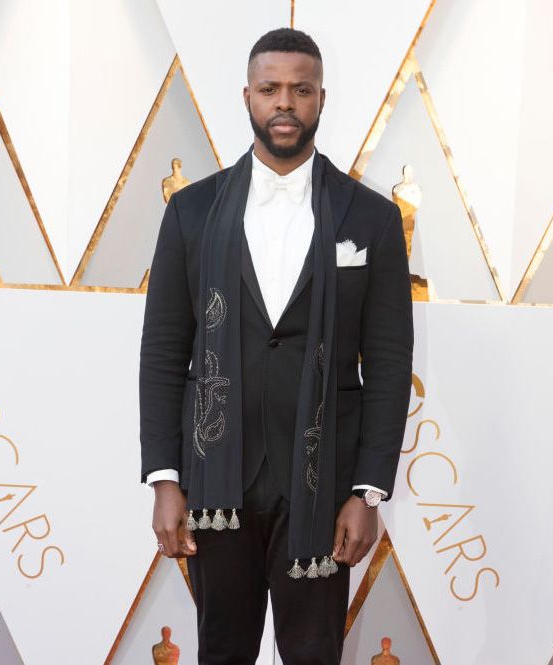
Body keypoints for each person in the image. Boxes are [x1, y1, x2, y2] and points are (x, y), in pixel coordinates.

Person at [139, 27, 413, 665]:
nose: (284, 102)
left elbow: (391, 361)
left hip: (326, 486)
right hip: (214, 481)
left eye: (300, 90)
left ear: (321, 99)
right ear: (247, 98)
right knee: (223, 650)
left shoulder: (369, 218)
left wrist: (368, 491)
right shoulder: (191, 213)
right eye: (270, 89)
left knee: (314, 654)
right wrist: (165, 479)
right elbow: (162, 352)